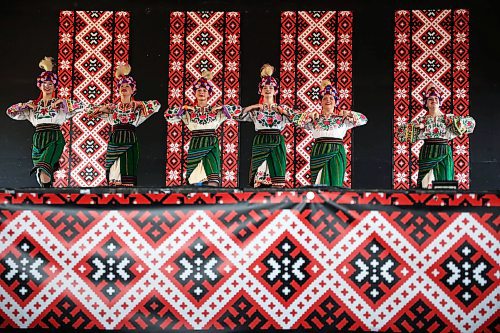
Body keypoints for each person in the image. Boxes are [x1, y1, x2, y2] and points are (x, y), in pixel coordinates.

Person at [6, 57, 87, 187]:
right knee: (41, 172)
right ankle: (48, 193)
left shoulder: (59, 104)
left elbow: (83, 106)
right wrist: (25, 106)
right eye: (44, 83)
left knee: (44, 169)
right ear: (40, 85)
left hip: (54, 137)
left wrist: (64, 103)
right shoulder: (33, 105)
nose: (47, 86)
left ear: (55, 86)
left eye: (50, 84)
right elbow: (10, 112)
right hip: (38, 139)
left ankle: (48, 194)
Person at [164, 70, 241, 186]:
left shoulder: (216, 111)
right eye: (199, 90)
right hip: (196, 144)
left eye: (205, 90)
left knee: (213, 179)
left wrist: (221, 107)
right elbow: (167, 115)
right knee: (195, 180)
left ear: (209, 94)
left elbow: (238, 110)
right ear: (194, 93)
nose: (202, 92)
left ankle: (213, 202)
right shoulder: (188, 112)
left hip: (211, 143)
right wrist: (183, 108)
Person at [88, 64, 160, 186]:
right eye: (122, 86)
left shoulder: (137, 108)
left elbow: (157, 105)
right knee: (114, 175)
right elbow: (89, 111)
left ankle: (128, 201)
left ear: (133, 90)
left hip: (130, 141)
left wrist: (137, 103)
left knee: (127, 177)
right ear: (118, 89)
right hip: (115, 141)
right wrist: (104, 108)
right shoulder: (113, 108)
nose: (124, 87)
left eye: (128, 86)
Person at [398, 83, 475, 188]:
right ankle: (424, 202)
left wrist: (454, 123)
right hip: (427, 151)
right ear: (426, 103)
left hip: (444, 150)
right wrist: (417, 127)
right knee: (425, 182)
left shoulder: (449, 118)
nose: (433, 101)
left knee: (445, 181)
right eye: (430, 99)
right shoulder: (421, 120)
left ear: (440, 101)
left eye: (436, 98)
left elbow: (470, 124)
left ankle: (445, 202)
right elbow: (401, 134)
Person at [297, 79, 367, 187]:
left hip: (337, 152)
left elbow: (364, 119)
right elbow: (295, 120)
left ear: (336, 101)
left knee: (336, 183)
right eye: (324, 98)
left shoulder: (342, 118)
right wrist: (308, 116)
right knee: (319, 184)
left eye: (331, 98)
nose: (328, 100)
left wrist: (349, 113)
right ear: (321, 101)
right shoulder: (315, 118)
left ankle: (333, 203)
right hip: (319, 151)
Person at [240, 64, 298, 188]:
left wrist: (284, 112)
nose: (268, 89)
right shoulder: (256, 110)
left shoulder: (281, 109)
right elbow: (236, 115)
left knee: (277, 180)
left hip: (277, 140)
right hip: (261, 140)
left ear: (275, 90)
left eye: (271, 87)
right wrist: (253, 107)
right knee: (259, 179)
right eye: (265, 87)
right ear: (260, 90)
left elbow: (299, 120)